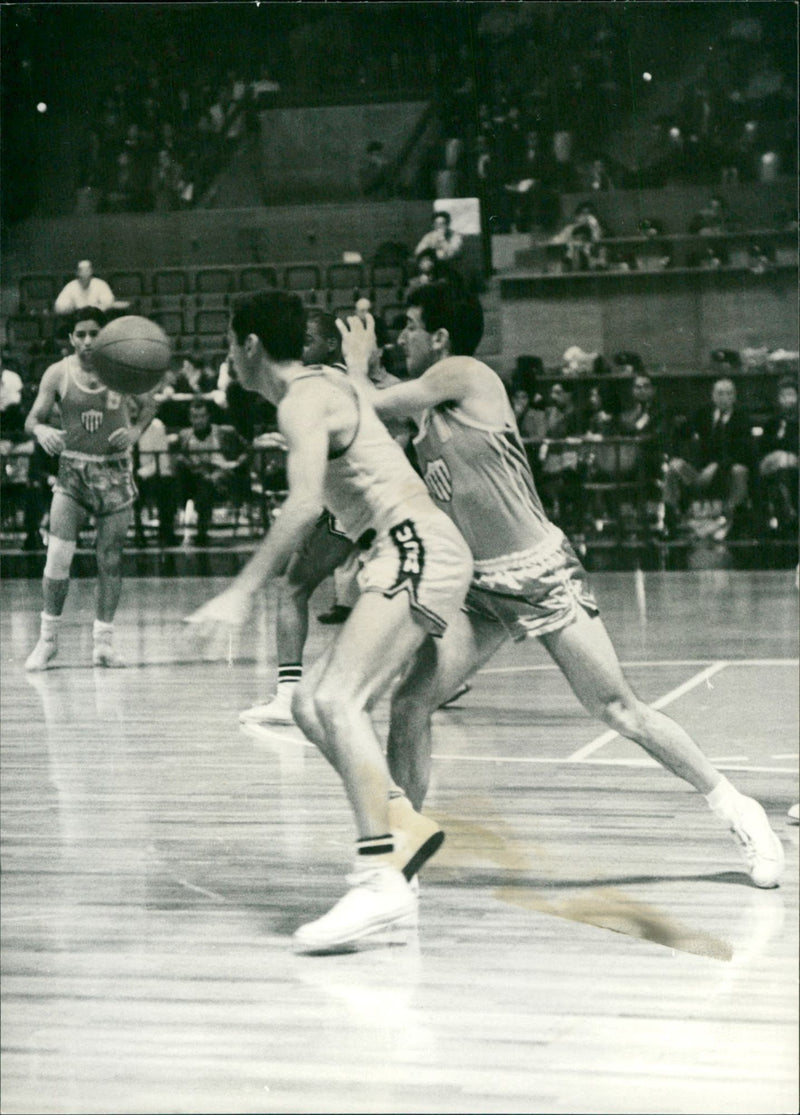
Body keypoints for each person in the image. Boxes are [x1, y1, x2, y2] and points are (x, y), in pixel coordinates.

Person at [343, 281, 784, 892]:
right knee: (411, 703)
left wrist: (357, 365)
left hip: (539, 571)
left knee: (619, 709)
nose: (401, 336)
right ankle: (402, 858)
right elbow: (381, 399)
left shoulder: (466, 375)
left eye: (411, 326)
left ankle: (739, 810)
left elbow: (367, 400)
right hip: (479, 587)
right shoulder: (425, 401)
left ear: (439, 338)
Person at [186, 290, 473, 952]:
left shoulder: (301, 398)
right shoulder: (321, 387)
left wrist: (239, 591)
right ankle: (400, 821)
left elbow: (302, 504)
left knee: (336, 699)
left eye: (231, 344)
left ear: (250, 345)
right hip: (405, 546)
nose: (229, 358)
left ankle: (382, 881)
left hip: (416, 545)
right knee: (313, 705)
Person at [24, 308, 158, 671]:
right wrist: (43, 431)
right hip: (73, 475)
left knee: (110, 559)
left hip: (114, 475)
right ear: (71, 338)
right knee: (58, 557)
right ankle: (48, 641)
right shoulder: (58, 372)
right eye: (80, 334)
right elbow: (32, 419)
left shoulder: (123, 368)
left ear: (105, 337)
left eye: (93, 333)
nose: (86, 340)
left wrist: (134, 433)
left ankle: (103, 644)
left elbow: (149, 405)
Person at [663, 377, 754, 541]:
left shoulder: (742, 419)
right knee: (673, 468)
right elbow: (676, 433)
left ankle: (733, 522)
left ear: (734, 397)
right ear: (713, 396)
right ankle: (671, 521)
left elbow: (745, 453)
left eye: (728, 393)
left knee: (740, 471)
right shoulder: (703, 414)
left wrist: (717, 466)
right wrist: (674, 457)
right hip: (700, 474)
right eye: (720, 393)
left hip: (726, 474)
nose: (724, 398)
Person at [172, 397, 250, 546]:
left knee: (207, 483)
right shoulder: (184, 435)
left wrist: (236, 464)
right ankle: (179, 529)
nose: (199, 420)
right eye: (195, 417)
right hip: (194, 477)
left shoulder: (225, 432)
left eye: (202, 416)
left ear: (208, 417)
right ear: (190, 418)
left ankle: (200, 531)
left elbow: (248, 450)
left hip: (221, 476)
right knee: (195, 478)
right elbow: (179, 457)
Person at [757, 376, 798, 536]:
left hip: (794, 462)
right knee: (776, 467)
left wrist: (784, 452)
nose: (787, 400)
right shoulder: (773, 422)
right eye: (783, 396)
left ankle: (789, 514)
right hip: (773, 464)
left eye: (791, 395)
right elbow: (763, 446)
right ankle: (776, 515)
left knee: (785, 465)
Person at [53, 260, 121, 317]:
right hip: (76, 320)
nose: (85, 273)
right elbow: (59, 306)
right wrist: (69, 307)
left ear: (91, 271)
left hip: (97, 319)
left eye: (87, 270)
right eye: (82, 270)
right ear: (77, 273)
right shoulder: (70, 286)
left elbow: (108, 303)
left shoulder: (100, 284)